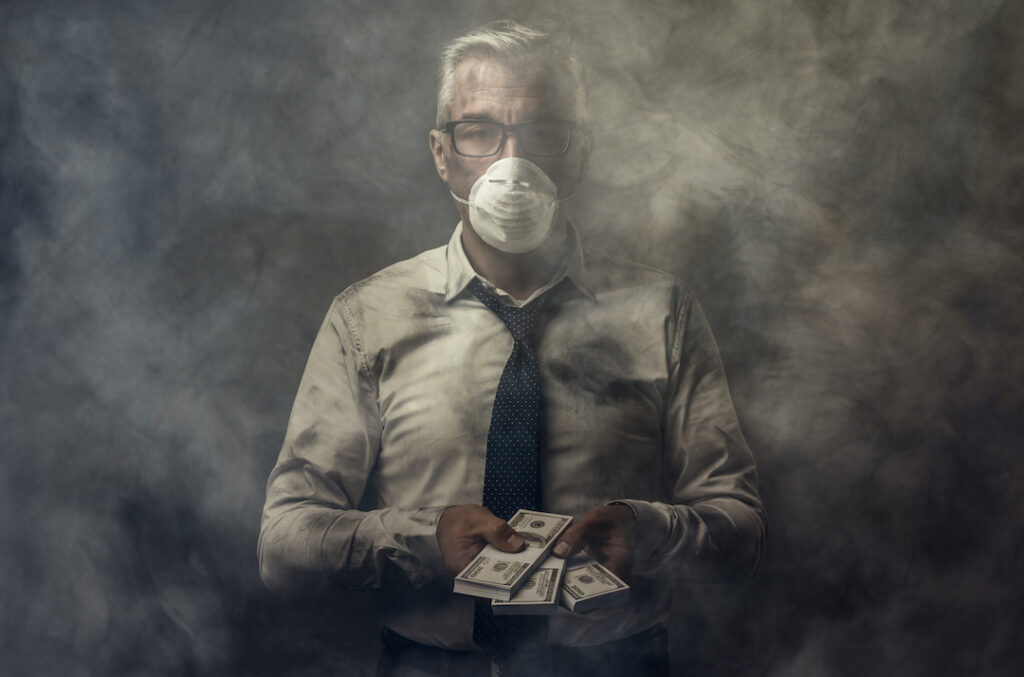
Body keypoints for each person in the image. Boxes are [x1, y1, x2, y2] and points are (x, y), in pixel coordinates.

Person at [259, 19, 764, 677]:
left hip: (617, 662)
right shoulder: (367, 318)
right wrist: (422, 540)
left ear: (579, 152)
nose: (511, 162)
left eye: (543, 133)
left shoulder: (661, 313)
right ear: (442, 154)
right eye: (479, 131)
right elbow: (284, 542)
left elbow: (740, 524)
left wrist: (647, 533)